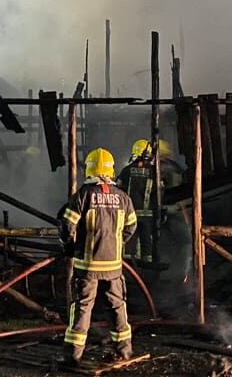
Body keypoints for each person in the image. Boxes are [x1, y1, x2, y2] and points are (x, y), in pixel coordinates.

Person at [58, 147, 138, 365]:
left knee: (82, 308)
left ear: (90, 169)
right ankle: (125, 350)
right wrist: (115, 243)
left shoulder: (83, 195)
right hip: (114, 267)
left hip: (88, 267)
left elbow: (67, 226)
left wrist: (70, 246)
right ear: (111, 170)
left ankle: (73, 356)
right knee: (117, 307)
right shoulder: (123, 198)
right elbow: (131, 227)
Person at [116, 140, 158, 266]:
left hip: (129, 214)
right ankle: (148, 269)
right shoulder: (154, 172)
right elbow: (159, 193)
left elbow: (117, 190)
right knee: (146, 243)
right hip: (147, 215)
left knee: (129, 241)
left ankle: (128, 267)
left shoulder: (126, 171)